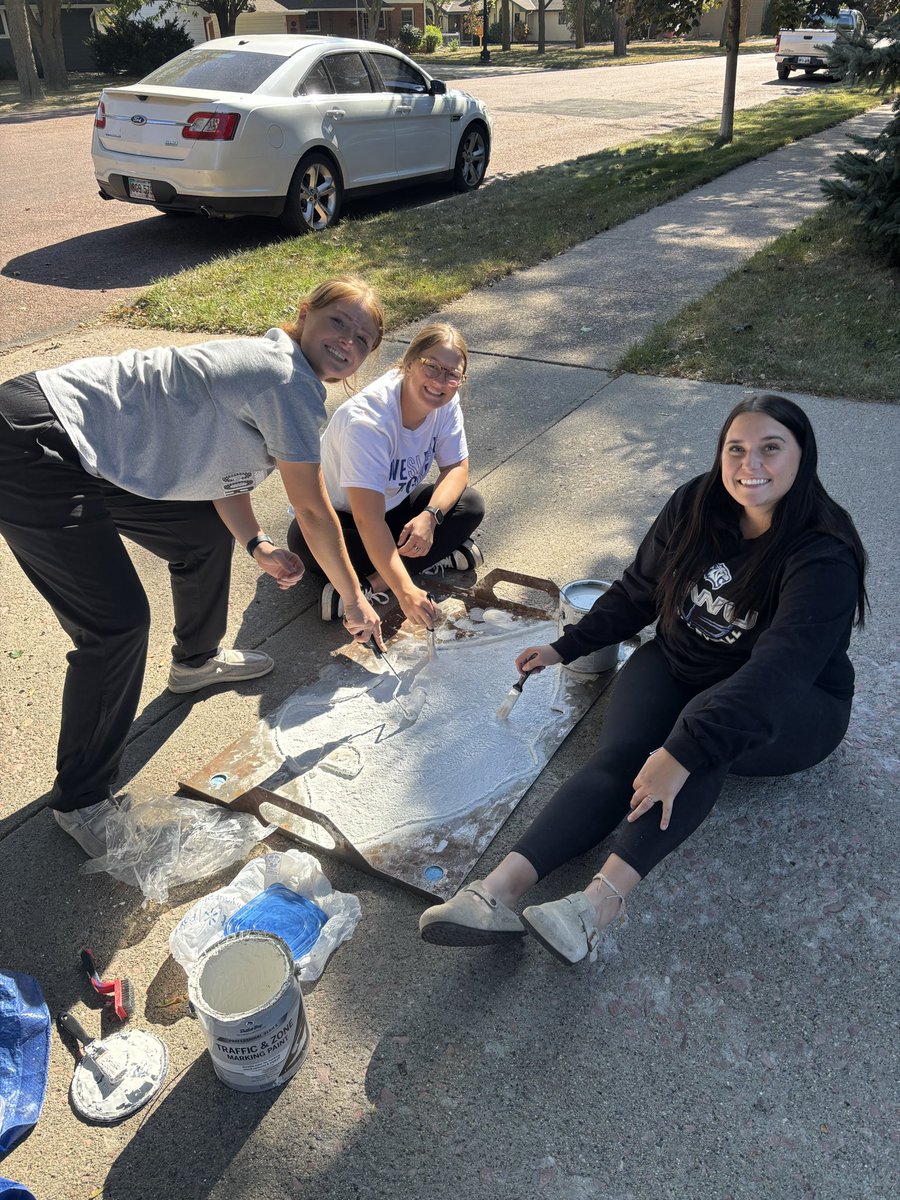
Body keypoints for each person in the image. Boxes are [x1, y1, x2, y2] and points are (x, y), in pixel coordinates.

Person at [419, 394, 868, 965]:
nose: (750, 463)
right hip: (681, 663)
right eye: (737, 449)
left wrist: (682, 750)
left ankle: (595, 908)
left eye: (770, 448)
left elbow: (778, 672)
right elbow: (638, 591)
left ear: (803, 457)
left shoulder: (823, 552)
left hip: (795, 703)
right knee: (622, 757)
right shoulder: (697, 504)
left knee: (700, 744)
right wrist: (567, 645)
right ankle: (495, 893)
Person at [0, 276, 386, 858]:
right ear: (305, 314)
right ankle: (80, 800)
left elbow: (217, 473)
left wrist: (255, 544)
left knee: (202, 533)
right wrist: (354, 598)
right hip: (36, 444)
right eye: (338, 322)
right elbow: (310, 509)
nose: (346, 342)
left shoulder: (279, 371)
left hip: (85, 451)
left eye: (362, 339)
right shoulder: (287, 379)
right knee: (116, 626)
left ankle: (196, 663)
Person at [287, 323, 485, 630]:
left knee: (469, 504)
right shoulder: (368, 422)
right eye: (431, 367)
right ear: (408, 362)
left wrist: (430, 518)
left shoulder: (445, 399)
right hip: (340, 521)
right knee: (310, 544)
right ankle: (397, 573)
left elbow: (457, 468)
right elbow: (368, 520)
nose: (440, 381)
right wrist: (406, 592)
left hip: (389, 510)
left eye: (452, 374)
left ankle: (370, 584)